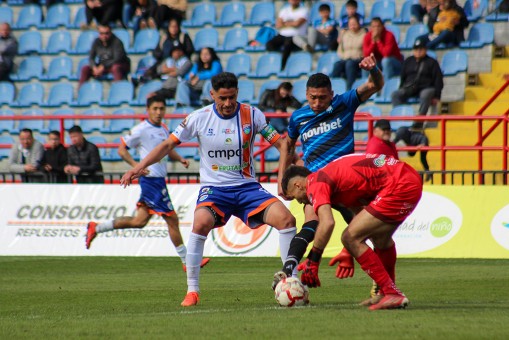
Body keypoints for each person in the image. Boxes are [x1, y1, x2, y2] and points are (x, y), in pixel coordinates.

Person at [120, 72, 298, 307]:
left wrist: (283, 178)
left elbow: (282, 144)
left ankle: (291, 281)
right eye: (222, 98)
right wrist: (139, 166)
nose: (227, 103)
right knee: (200, 223)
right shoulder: (198, 117)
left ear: (237, 93)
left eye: (231, 97)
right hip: (215, 189)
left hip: (247, 188)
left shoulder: (253, 115)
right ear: (212, 94)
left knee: (286, 219)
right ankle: (192, 290)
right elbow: (167, 144)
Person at [272, 54, 385, 288]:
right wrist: (283, 179)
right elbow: (288, 145)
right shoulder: (299, 117)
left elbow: (375, 85)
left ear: (331, 95)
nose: (317, 103)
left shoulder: (344, 103)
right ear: (306, 95)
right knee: (311, 222)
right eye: (312, 98)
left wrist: (373, 70)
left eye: (322, 98)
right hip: (316, 181)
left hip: (345, 183)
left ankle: (381, 283)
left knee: (365, 231)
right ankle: (288, 270)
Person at [281, 153, 423, 310]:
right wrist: (348, 252)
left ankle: (392, 293)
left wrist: (314, 260)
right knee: (380, 239)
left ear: (297, 186)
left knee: (348, 237)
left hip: (399, 184)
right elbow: (360, 216)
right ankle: (385, 293)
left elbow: (327, 222)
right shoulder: (332, 179)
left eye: (294, 197)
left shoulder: (316, 183)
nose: (299, 201)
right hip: (407, 178)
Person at [85, 95, 210, 268]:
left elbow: (165, 148)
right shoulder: (141, 129)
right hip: (151, 180)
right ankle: (187, 261)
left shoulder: (163, 128)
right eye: (155, 109)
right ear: (148, 110)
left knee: (139, 222)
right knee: (172, 219)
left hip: (157, 180)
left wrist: (180, 158)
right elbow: (121, 149)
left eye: (162, 109)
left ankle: (96, 228)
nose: (159, 112)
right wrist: (136, 166)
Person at [391, 38, 443, 118]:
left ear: (425, 49)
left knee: (425, 94)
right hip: (410, 87)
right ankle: (399, 118)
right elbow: (403, 77)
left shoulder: (432, 62)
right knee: (395, 94)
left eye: (421, 49)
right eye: (416, 49)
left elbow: (438, 80)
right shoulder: (408, 61)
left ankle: (419, 120)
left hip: (426, 87)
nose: (418, 51)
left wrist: (437, 96)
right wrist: (401, 88)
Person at [266, 0, 309, 69]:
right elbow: (278, 25)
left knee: (287, 44)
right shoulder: (284, 10)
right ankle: (277, 60)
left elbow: (297, 24)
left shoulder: (304, 10)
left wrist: (285, 23)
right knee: (269, 44)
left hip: (295, 36)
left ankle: (283, 66)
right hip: (282, 35)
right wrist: (292, 23)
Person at [331, 16, 366, 90]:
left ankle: (349, 88)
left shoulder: (364, 34)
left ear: (359, 23)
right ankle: (332, 88)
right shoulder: (345, 34)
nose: (352, 26)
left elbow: (365, 50)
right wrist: (343, 56)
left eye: (354, 23)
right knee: (337, 65)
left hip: (358, 59)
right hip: (346, 58)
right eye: (350, 24)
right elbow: (340, 49)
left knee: (350, 64)